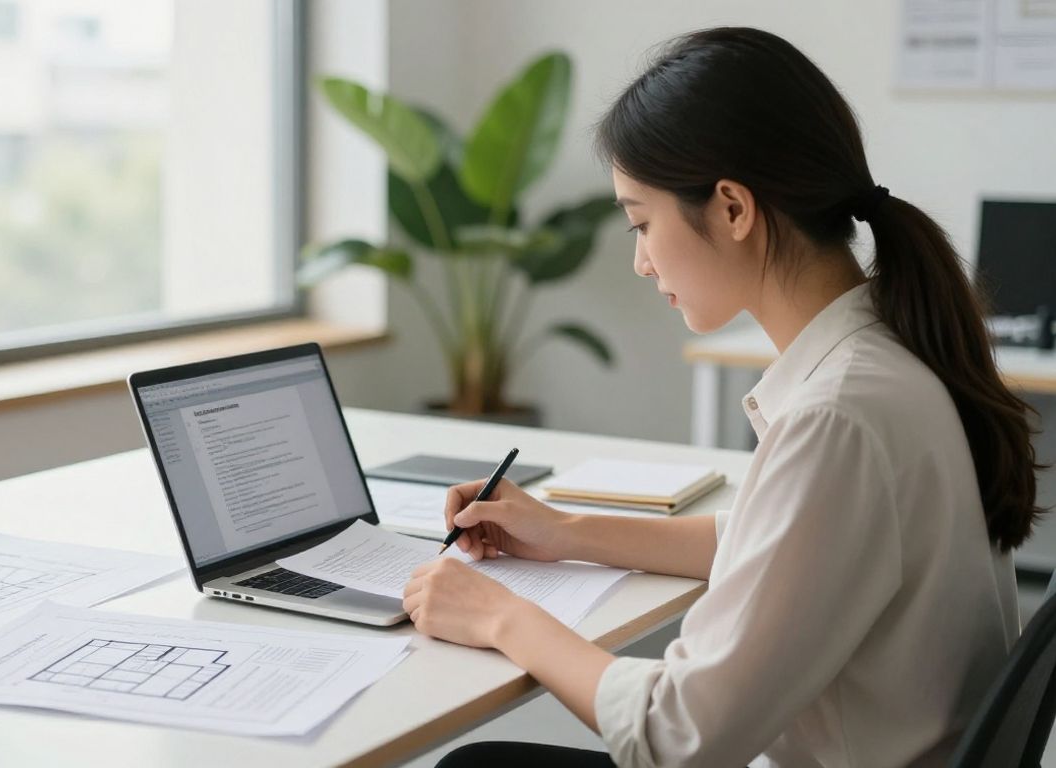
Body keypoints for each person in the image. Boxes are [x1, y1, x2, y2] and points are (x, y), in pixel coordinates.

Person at [406, 27, 1042, 768]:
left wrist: (499, 616)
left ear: (733, 208)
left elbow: (677, 738)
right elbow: (772, 543)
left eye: (642, 223)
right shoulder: (894, 352)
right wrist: (564, 531)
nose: (641, 261)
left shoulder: (838, 416)